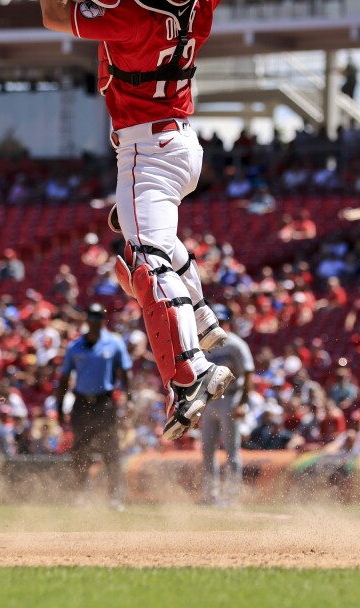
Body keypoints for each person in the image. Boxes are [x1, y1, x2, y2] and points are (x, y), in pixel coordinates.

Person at [40, 0, 233, 442]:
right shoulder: (197, 6)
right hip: (181, 143)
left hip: (146, 152)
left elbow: (53, 13)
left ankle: (190, 373)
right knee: (138, 254)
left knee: (147, 263)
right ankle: (200, 318)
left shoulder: (131, 14)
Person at [56, 303, 132, 511]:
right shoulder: (75, 346)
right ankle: (80, 494)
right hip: (81, 403)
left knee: (111, 451)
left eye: (99, 317)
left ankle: (114, 497)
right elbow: (64, 379)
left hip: (105, 403)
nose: (95, 321)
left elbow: (125, 374)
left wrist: (129, 399)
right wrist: (59, 406)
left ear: (103, 320)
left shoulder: (114, 343)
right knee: (80, 451)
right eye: (92, 317)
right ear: (87, 320)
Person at [198, 306, 255, 506]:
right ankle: (210, 494)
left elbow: (248, 373)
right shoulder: (206, 344)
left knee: (231, 449)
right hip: (210, 399)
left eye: (222, 320)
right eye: (216, 320)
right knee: (207, 448)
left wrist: (242, 403)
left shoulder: (236, 344)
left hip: (230, 398)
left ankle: (232, 495)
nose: (219, 324)